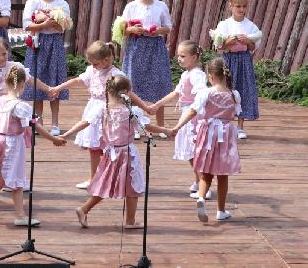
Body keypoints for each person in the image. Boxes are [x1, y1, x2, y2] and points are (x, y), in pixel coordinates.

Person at [60, 75, 169, 228]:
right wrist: (165, 130)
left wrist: (65, 134)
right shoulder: (131, 112)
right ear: (126, 92)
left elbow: (84, 122)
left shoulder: (103, 109)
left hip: (110, 154)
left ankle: (84, 208)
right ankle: (129, 221)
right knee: (133, 186)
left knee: (105, 184)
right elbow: (148, 127)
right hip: (127, 154)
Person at [0, 65, 66, 225]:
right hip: (11, 145)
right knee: (3, 180)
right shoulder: (20, 106)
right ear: (22, 85)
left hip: (3, 141)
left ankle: (19, 216)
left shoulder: (1, 100)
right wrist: (53, 139)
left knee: (13, 179)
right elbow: (35, 126)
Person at [48, 41, 152, 189]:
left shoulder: (116, 75)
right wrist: (58, 87)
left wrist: (145, 107)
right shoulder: (92, 70)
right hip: (94, 110)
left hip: (111, 112)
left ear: (106, 59)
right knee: (94, 147)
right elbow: (79, 79)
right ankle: (94, 178)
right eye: (91, 63)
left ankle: (115, 177)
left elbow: (129, 93)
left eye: (95, 63)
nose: (93, 66)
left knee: (111, 148)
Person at [168, 57, 241, 224]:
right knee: (222, 174)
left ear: (210, 76)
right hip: (225, 136)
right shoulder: (234, 95)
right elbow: (234, 114)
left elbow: (192, 111)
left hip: (208, 134)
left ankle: (201, 197)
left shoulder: (206, 93)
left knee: (206, 171)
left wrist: (177, 126)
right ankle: (221, 211)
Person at [150, 40, 209, 198]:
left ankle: (205, 185)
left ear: (194, 57)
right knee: (191, 153)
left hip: (193, 117)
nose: (179, 58)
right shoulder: (186, 74)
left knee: (196, 152)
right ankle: (199, 181)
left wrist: (195, 106)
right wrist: (157, 105)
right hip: (186, 114)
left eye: (183, 56)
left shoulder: (197, 74)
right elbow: (177, 93)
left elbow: (201, 93)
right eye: (178, 55)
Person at [21, 0, 72, 135]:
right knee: (37, 81)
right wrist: (45, 24)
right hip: (37, 43)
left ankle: (55, 123)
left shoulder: (62, 3)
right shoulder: (33, 1)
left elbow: (63, 26)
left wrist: (48, 21)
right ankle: (38, 121)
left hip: (55, 44)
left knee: (54, 81)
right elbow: (27, 25)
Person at [121, 0, 173, 130]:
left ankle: (161, 126)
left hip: (155, 48)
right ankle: (134, 125)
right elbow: (121, 29)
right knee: (133, 84)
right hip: (136, 48)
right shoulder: (131, 6)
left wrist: (157, 31)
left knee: (159, 83)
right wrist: (132, 29)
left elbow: (168, 28)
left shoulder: (161, 6)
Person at [211, 0, 262, 139]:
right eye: (238, 6)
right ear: (231, 6)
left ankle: (240, 126)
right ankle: (223, 123)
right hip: (228, 60)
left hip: (244, 61)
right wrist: (227, 42)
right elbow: (219, 47)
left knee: (243, 90)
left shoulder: (251, 26)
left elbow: (253, 48)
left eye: (244, 6)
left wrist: (248, 41)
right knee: (225, 90)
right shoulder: (225, 25)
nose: (241, 9)